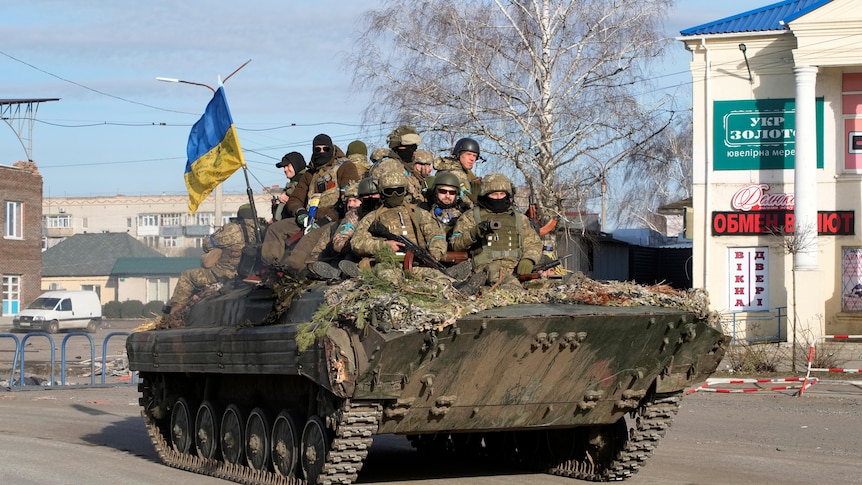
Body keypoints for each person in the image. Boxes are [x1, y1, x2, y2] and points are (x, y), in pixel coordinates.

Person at [261, 134, 360, 267]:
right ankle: (270, 267)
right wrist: (300, 212)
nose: (321, 152)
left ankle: (292, 272)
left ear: (331, 148)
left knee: (307, 240)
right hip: (309, 218)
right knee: (275, 229)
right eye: (317, 149)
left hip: (333, 220)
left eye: (325, 149)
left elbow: (349, 200)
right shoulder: (310, 174)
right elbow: (295, 198)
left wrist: (326, 218)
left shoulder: (345, 167)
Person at [449, 173, 543, 291]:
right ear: (485, 195)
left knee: (543, 285)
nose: (499, 198)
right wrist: (474, 232)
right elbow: (455, 244)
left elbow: (533, 243)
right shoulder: (471, 216)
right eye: (494, 194)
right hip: (487, 268)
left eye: (502, 194)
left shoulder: (519, 218)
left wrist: (529, 259)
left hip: (516, 266)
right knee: (512, 287)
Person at [350, 170, 447, 279]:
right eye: (389, 191)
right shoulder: (373, 218)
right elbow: (357, 242)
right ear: (382, 192)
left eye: (398, 190)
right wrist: (383, 245)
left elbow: (436, 235)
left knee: (439, 278)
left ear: (405, 191)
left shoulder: (418, 213)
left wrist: (435, 252)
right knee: (389, 279)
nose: (394, 195)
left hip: (416, 265)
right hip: (386, 266)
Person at [164, 205, 258, 315]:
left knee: (187, 276)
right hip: (252, 274)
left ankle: (175, 311)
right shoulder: (261, 229)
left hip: (224, 274)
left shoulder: (234, 229)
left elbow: (208, 244)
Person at [419, 170, 471, 240]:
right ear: (436, 192)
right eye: (443, 191)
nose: (447, 196)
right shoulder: (424, 210)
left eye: (452, 192)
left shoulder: (464, 212)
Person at [434, 137, 482, 203]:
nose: (472, 159)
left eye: (474, 156)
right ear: (458, 154)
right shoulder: (453, 173)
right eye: (468, 154)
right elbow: (466, 201)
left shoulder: (466, 173)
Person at [272, 151, 307, 221]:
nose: (285, 169)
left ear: (296, 165)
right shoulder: (293, 181)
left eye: (287, 166)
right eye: (284, 167)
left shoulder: (304, 180)